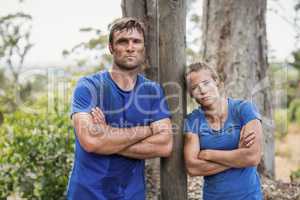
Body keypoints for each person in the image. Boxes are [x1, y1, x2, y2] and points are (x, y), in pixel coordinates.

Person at [67, 17, 173, 200]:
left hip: (131, 194)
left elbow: (164, 145)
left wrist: (107, 135)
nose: (130, 47)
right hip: (87, 193)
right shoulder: (88, 87)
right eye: (123, 41)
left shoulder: (153, 91)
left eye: (136, 41)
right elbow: (91, 141)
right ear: (111, 47)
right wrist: (147, 130)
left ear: (143, 48)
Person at [184, 62, 263, 200]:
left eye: (206, 83)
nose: (202, 90)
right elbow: (193, 168)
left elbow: (253, 157)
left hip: (249, 196)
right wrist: (238, 157)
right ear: (191, 94)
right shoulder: (192, 121)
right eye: (195, 87)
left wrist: (209, 154)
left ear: (216, 82)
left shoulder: (243, 109)